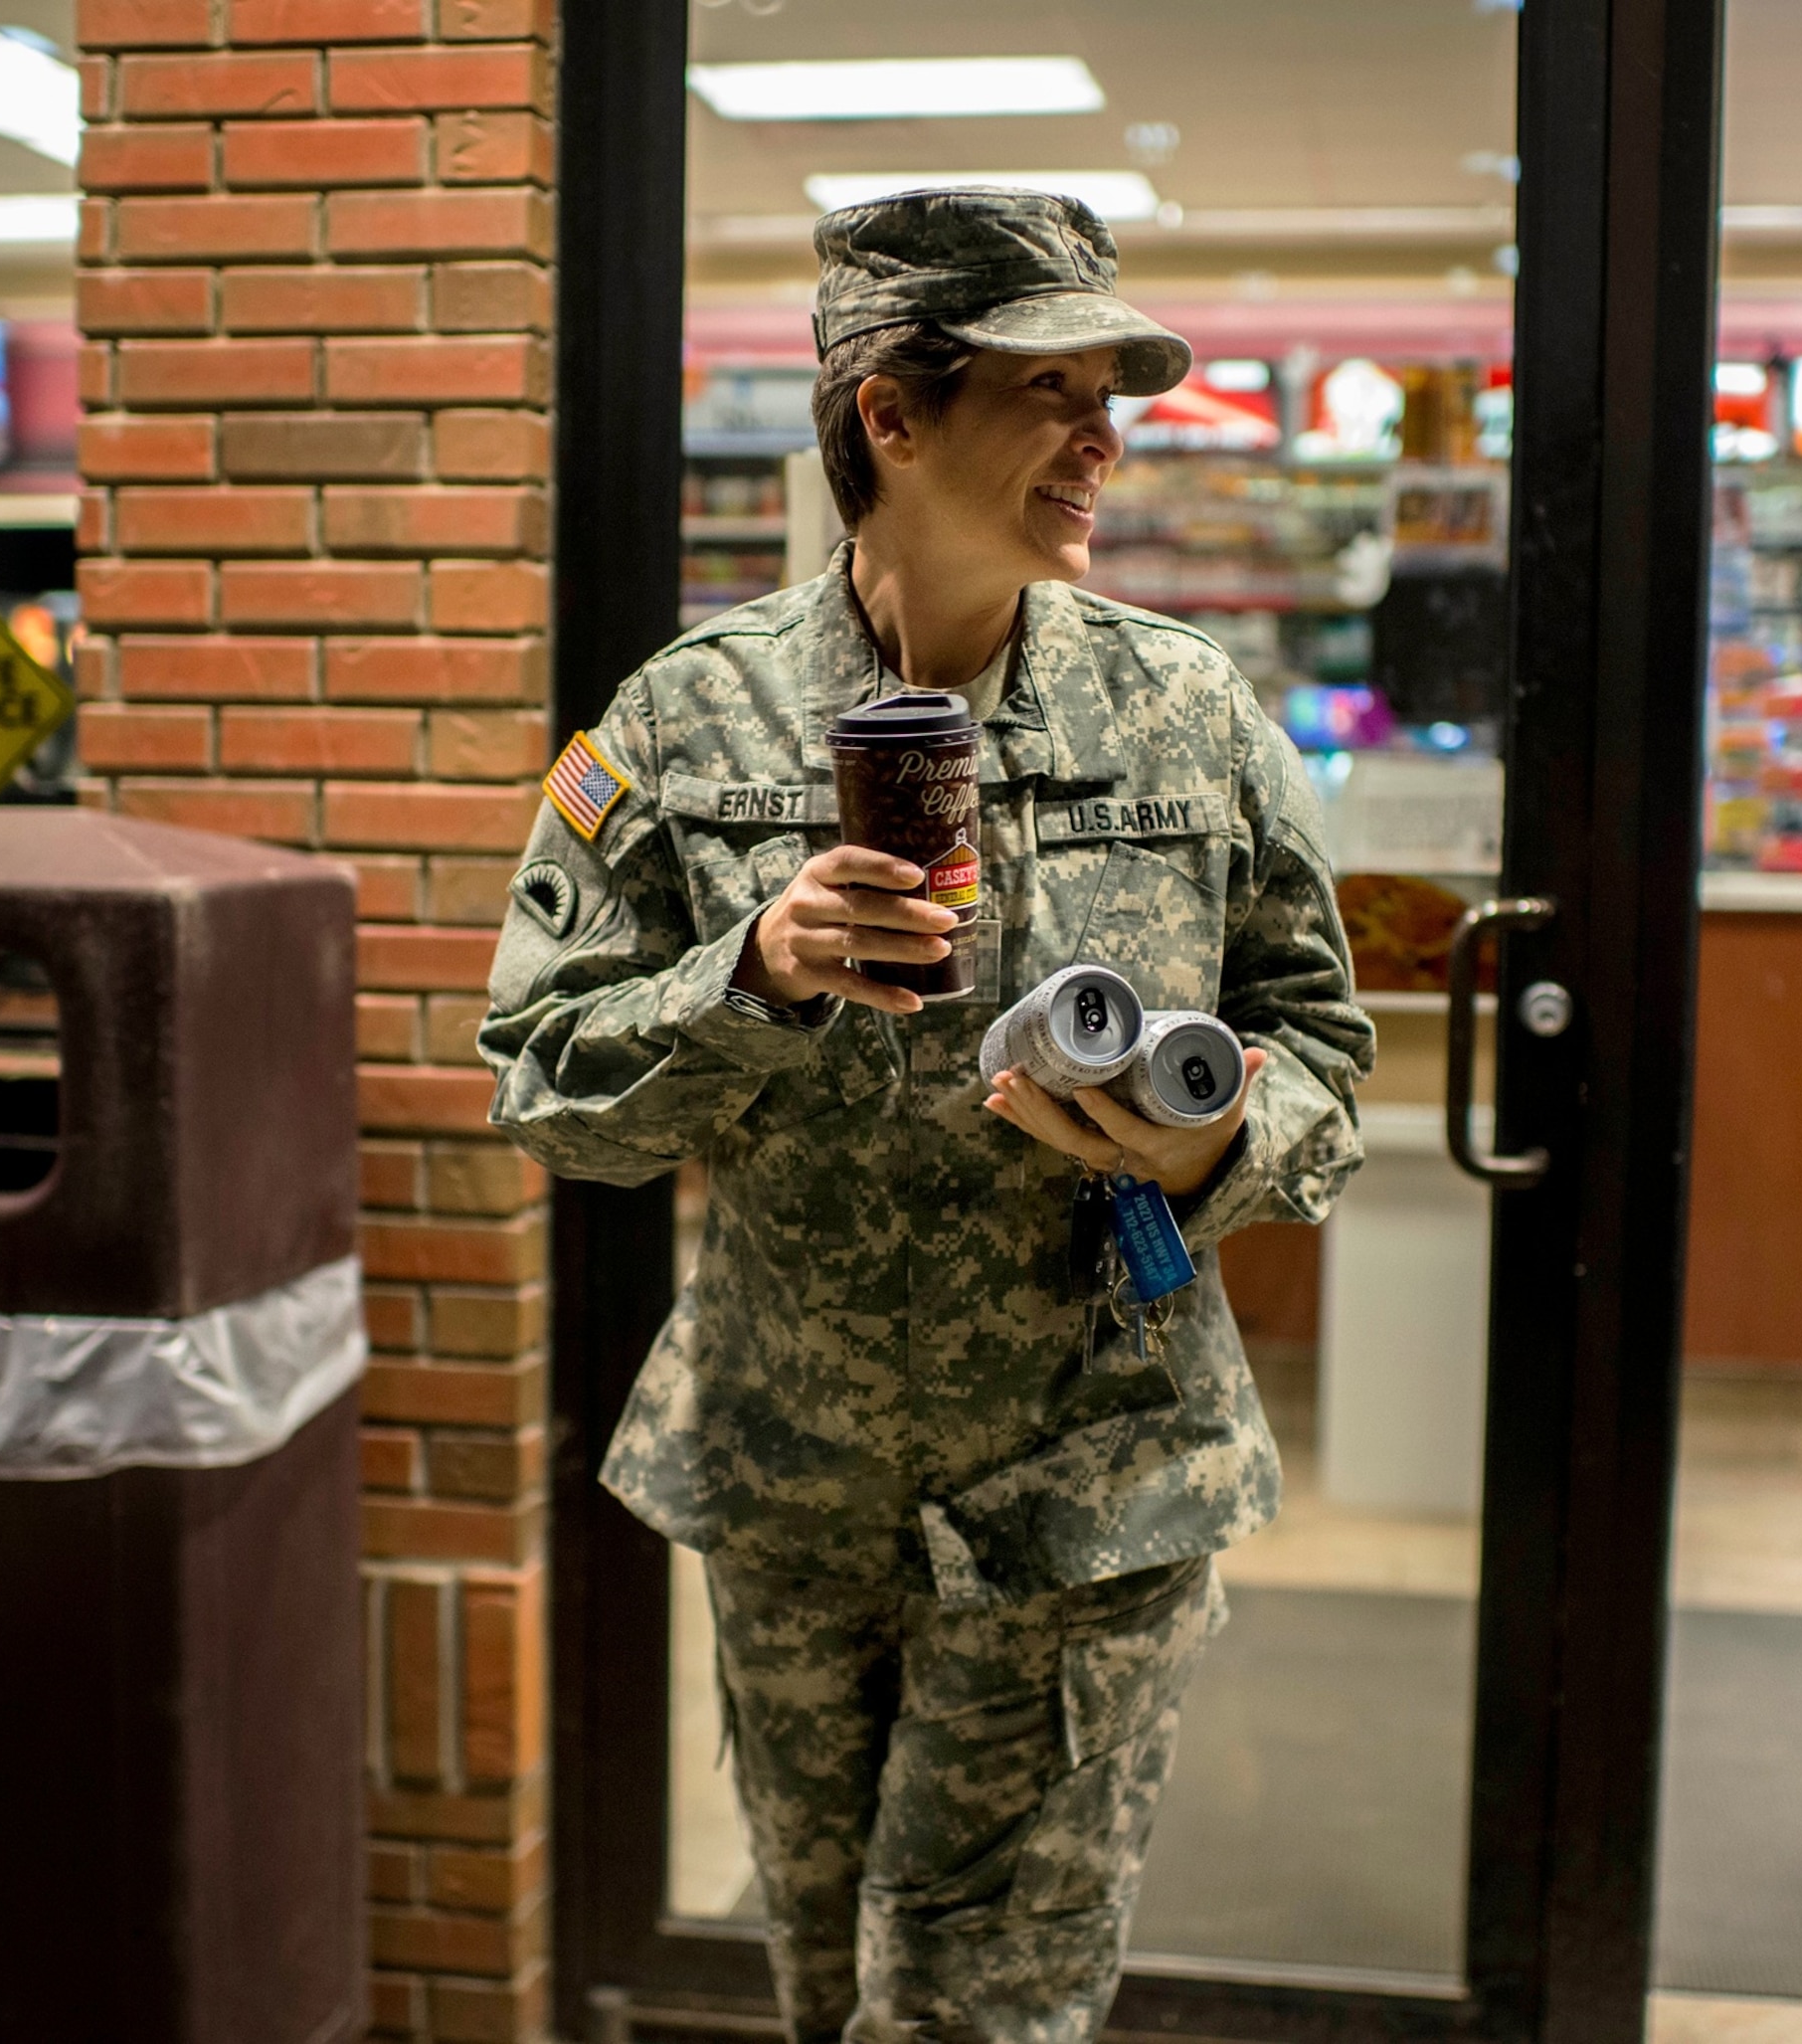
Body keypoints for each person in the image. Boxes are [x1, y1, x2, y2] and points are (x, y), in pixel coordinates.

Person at [480, 189, 1370, 2041]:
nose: (1101, 437)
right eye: (1051, 388)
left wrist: (1206, 1142)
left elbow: (1323, 1061)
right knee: (828, 1989)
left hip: (1088, 1480)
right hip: (791, 1487)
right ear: (891, 413)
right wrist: (756, 965)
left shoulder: (1188, 713)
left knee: (970, 2013)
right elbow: (543, 1078)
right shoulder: (682, 723)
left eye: (1108, 389)